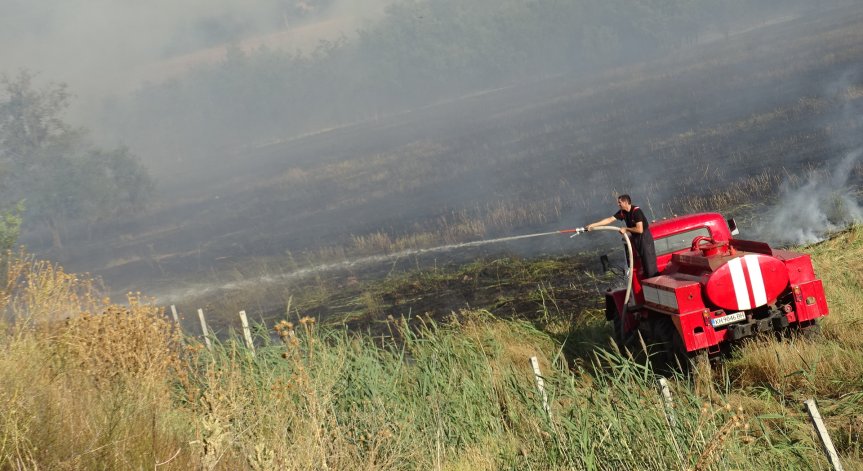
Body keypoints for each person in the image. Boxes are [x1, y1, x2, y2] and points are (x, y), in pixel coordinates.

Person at [586, 194, 659, 278]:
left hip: (645, 239)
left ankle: (654, 280)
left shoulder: (636, 211)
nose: (618, 204)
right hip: (637, 239)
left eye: (619, 202)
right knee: (644, 265)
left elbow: (640, 230)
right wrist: (593, 225)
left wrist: (626, 229)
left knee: (649, 265)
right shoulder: (623, 212)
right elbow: (609, 219)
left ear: (626, 202)